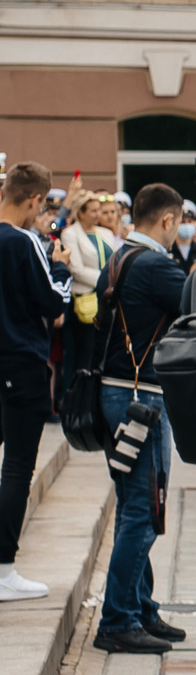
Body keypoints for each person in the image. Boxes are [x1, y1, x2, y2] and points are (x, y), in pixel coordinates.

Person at [91, 182, 190, 652]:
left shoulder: (118, 257)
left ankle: (140, 607)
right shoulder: (153, 264)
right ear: (167, 220)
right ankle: (117, 620)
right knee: (142, 511)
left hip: (116, 394)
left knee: (135, 504)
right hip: (141, 399)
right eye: (178, 223)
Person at [0, 162, 70, 602]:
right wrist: (60, 267)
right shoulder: (23, 241)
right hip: (20, 359)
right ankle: (4, 567)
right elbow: (52, 301)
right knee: (18, 466)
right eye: (41, 204)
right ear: (32, 200)